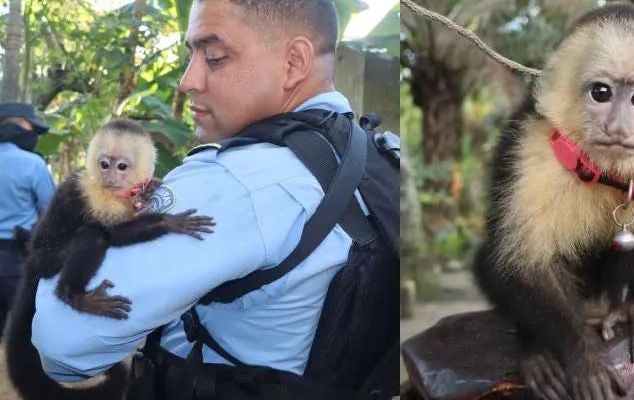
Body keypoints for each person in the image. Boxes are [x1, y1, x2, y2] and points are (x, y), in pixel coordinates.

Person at [31, 0, 396, 398]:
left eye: (215, 57)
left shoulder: (237, 181)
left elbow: (63, 343)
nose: (189, 81)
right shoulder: (379, 154)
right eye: (192, 56)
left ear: (294, 62)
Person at [0, 102, 54, 335]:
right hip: (16, 256)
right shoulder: (32, 163)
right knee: (27, 328)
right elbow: (50, 210)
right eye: (31, 128)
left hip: (16, 251)